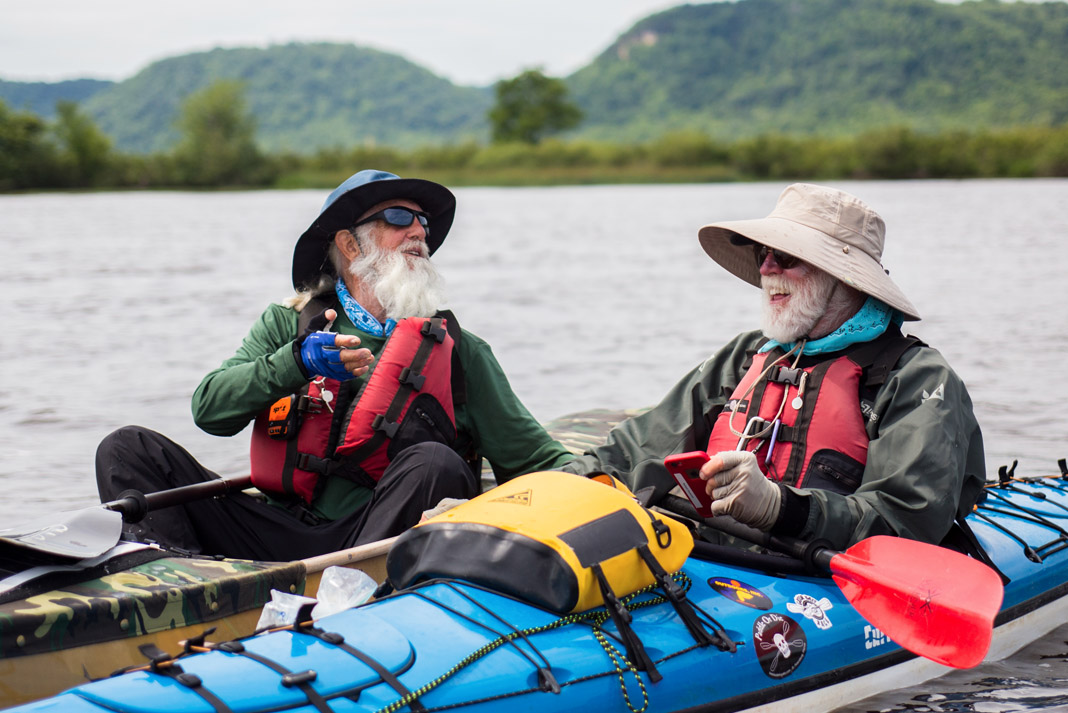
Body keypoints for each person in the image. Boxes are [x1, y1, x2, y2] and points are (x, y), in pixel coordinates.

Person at [96, 170, 574, 560]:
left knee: (435, 463)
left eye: (423, 222)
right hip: (275, 529)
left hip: (375, 540)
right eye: (399, 217)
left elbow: (535, 461)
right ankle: (180, 586)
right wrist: (295, 362)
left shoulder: (460, 351)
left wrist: (599, 482)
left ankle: (351, 595)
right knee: (126, 448)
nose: (419, 231)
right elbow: (210, 411)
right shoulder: (288, 323)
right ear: (350, 245)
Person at [562, 183, 985, 550]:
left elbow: (906, 520)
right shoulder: (747, 355)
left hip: (816, 583)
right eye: (764, 254)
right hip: (714, 564)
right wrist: (562, 483)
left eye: (785, 256)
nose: (766, 269)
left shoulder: (915, 377)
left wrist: (780, 507)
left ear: (844, 277)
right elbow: (633, 450)